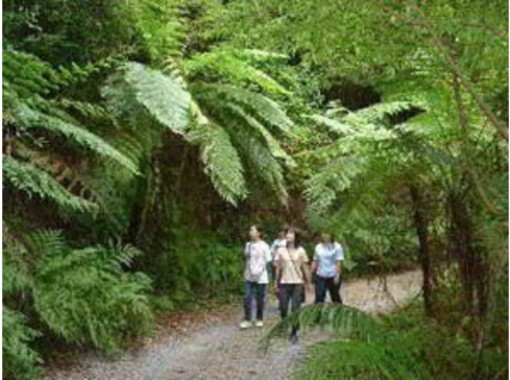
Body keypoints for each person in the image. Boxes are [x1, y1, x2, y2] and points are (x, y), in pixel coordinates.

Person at [274, 227, 311, 343]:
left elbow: (305, 268)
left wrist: (309, 283)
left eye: (291, 233)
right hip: (284, 283)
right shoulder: (280, 250)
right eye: (287, 233)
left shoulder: (301, 250)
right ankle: (285, 324)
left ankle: (294, 332)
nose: (288, 235)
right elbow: (278, 268)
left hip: (297, 283)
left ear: (296, 236)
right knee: (283, 308)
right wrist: (275, 283)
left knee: (295, 308)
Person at [239, 225, 272, 329]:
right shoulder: (248, 245)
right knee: (247, 297)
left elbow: (267, 261)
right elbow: (247, 259)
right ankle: (247, 319)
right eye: (250, 230)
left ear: (259, 233)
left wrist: (259, 272)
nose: (250, 232)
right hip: (249, 276)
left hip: (261, 277)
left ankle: (259, 318)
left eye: (252, 230)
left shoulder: (264, 246)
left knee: (260, 298)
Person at [311, 232, 344, 304]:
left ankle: (338, 311)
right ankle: (318, 313)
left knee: (335, 295)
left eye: (327, 234)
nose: (324, 236)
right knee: (319, 296)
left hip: (332, 274)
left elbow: (338, 261)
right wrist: (312, 272)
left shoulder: (337, 247)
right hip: (321, 274)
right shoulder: (318, 247)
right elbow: (315, 260)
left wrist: (337, 275)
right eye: (323, 234)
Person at [270, 226, 287, 297]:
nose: (281, 233)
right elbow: (271, 251)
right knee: (276, 280)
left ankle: (284, 295)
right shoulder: (275, 242)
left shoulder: (287, 242)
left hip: (285, 265)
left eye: (282, 232)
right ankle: (278, 295)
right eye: (280, 232)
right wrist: (274, 259)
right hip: (276, 264)